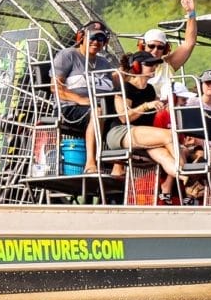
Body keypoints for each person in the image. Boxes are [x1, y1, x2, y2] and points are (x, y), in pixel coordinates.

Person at [109, 50, 181, 202]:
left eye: (155, 64)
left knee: (165, 154)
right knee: (169, 136)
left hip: (142, 136)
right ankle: (187, 179)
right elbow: (124, 117)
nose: (154, 68)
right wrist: (146, 106)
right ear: (136, 67)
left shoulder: (150, 90)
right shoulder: (125, 87)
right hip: (121, 133)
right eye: (149, 64)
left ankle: (184, 176)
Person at [51, 21, 119, 174]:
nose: (96, 42)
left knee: (122, 115)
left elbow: (113, 85)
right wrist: (79, 99)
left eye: (100, 39)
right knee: (98, 111)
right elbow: (55, 87)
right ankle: (90, 164)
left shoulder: (104, 62)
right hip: (70, 108)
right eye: (92, 38)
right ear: (81, 37)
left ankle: (118, 167)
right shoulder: (68, 55)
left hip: (100, 107)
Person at [142, 0, 198, 97]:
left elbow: (189, 43)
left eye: (160, 47)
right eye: (151, 46)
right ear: (143, 46)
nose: (155, 50)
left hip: (168, 109)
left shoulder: (168, 64)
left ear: (165, 49)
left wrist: (191, 13)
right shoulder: (134, 66)